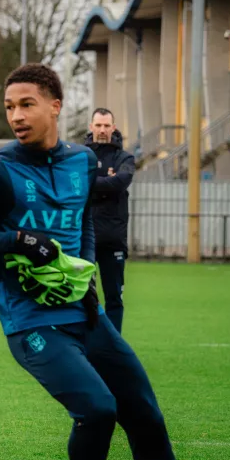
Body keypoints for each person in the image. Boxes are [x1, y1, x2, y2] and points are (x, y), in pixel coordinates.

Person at [0, 64, 177, 460]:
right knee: (98, 409)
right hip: (31, 322)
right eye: (9, 106)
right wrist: (18, 240)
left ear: (55, 106)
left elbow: (82, 220)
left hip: (85, 315)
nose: (16, 116)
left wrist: (84, 273)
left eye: (26, 105)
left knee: (146, 416)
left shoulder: (82, 162)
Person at [85, 109, 135, 333]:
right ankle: (87, 342)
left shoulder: (125, 158)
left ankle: (113, 348)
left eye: (107, 126)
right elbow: (75, 185)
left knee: (114, 298)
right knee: (84, 296)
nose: (102, 130)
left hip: (113, 240)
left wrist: (93, 183)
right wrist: (108, 182)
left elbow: (121, 182)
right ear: (91, 126)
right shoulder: (80, 156)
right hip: (85, 238)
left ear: (113, 127)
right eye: (98, 125)